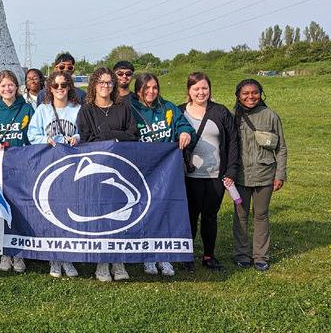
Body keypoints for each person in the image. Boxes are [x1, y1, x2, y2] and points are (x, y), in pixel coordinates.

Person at [128, 72, 195, 277]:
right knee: (147, 211)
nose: (151, 91)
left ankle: (164, 256)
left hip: (167, 170)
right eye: (146, 88)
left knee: (166, 211)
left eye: (154, 87)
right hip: (143, 169)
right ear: (138, 89)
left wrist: (184, 132)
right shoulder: (131, 110)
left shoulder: (168, 108)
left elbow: (184, 125)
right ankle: (148, 257)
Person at [76, 67, 138, 282]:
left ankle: (118, 260)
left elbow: (132, 135)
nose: (106, 86)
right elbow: (85, 139)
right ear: (94, 84)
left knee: (120, 212)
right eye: (101, 82)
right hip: (96, 170)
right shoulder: (86, 110)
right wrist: (109, 140)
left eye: (109, 82)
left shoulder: (124, 108)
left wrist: (108, 135)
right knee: (101, 214)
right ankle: (102, 262)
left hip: (120, 167)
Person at [178, 72, 239, 272]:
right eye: (196, 88)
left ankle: (208, 255)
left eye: (204, 88)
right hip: (187, 176)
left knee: (210, 217)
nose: (201, 92)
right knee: (189, 217)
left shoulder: (220, 112)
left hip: (215, 176)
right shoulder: (179, 112)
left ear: (210, 89)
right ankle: (186, 256)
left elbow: (232, 144)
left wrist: (230, 171)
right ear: (189, 90)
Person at [28, 70, 80, 279]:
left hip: (72, 166)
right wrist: (45, 141)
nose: (60, 89)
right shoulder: (42, 110)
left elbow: (85, 131)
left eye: (64, 85)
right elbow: (31, 134)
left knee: (69, 211)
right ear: (49, 88)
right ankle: (54, 258)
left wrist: (76, 136)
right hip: (48, 165)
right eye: (56, 85)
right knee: (51, 211)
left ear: (69, 87)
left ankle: (67, 257)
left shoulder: (77, 109)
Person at [0, 70, 34, 273]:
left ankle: (19, 253)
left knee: (21, 208)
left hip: (22, 166)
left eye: (10, 85)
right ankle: (5, 252)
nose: (7, 89)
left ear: (16, 87)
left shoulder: (27, 109)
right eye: (3, 86)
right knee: (2, 209)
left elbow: (34, 134)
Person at [232, 79, 287, 272]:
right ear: (238, 96)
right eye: (245, 93)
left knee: (261, 216)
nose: (250, 97)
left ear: (261, 94)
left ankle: (261, 256)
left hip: (265, 176)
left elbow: (281, 149)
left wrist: (280, 174)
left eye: (254, 93)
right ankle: (241, 254)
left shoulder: (271, 116)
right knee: (240, 215)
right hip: (239, 177)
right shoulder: (233, 117)